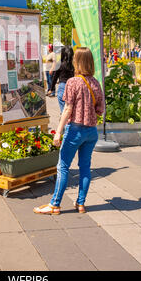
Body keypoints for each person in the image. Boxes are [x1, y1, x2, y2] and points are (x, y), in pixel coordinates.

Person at [33, 47, 104, 215]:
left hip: (75, 130)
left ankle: (55, 204)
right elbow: (100, 109)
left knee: (63, 166)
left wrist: (58, 132)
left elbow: (67, 109)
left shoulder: (73, 82)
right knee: (85, 167)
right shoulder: (95, 82)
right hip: (91, 131)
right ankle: (80, 204)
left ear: (77, 62)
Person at [48, 46, 74, 113]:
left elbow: (55, 77)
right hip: (73, 86)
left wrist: (51, 88)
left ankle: (64, 118)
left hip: (63, 86)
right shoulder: (74, 65)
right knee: (71, 107)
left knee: (63, 109)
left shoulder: (60, 65)